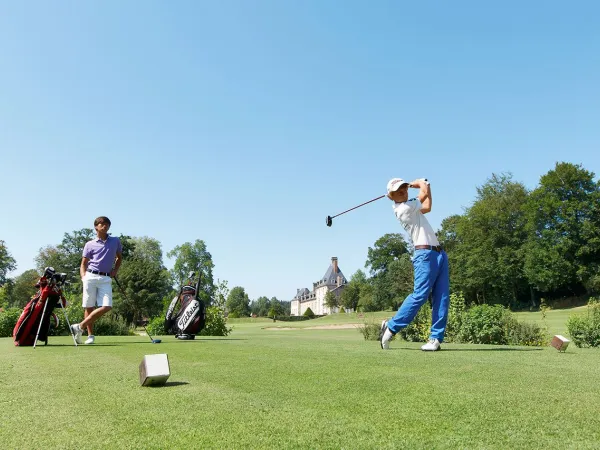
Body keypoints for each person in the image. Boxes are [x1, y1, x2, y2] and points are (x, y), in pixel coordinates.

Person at [380, 178, 450, 351]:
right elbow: (423, 193)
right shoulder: (403, 208)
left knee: (442, 297)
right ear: (391, 196)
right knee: (420, 295)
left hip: (439, 253)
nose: (404, 191)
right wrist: (418, 183)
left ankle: (435, 339)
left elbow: (427, 206)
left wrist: (428, 186)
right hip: (424, 255)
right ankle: (391, 327)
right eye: (399, 190)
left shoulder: (413, 208)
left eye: (404, 188)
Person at [70, 216, 122, 344]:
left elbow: (119, 258)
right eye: (102, 224)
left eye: (107, 224)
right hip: (90, 276)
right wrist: (83, 277)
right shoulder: (89, 244)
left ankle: (79, 327)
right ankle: (90, 336)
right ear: (96, 227)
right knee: (89, 307)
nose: (105, 226)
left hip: (105, 277)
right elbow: (83, 263)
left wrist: (115, 271)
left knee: (107, 306)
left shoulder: (115, 241)